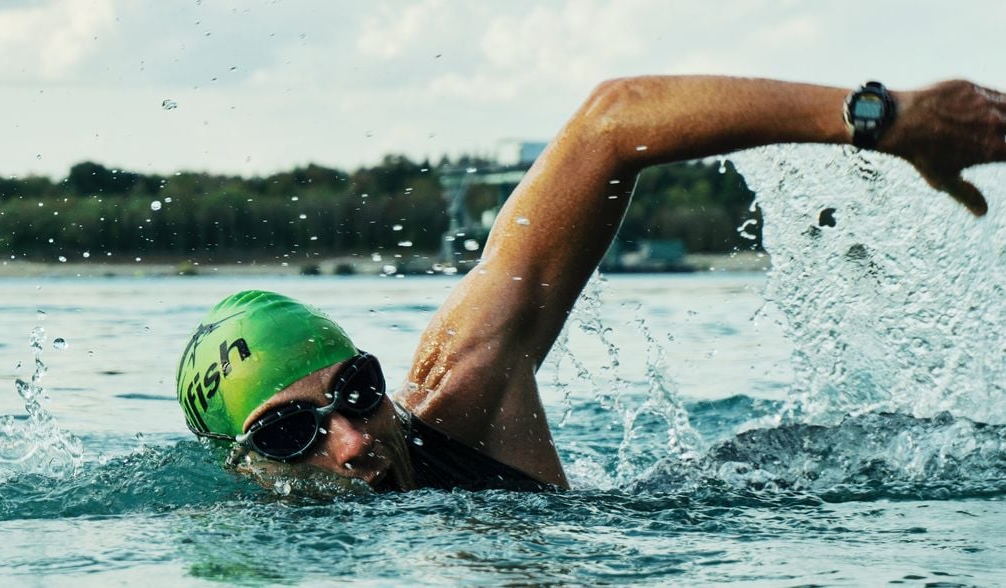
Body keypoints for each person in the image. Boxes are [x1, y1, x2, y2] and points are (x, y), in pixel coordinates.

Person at [177, 76, 1006, 492]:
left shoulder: (462, 392)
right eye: (290, 435)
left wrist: (880, 119)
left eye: (356, 392)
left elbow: (610, 121)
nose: (352, 442)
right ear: (241, 466)